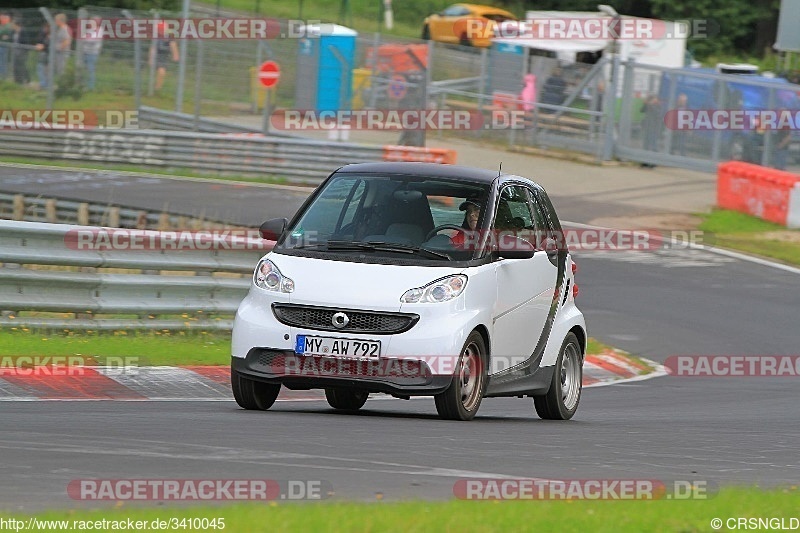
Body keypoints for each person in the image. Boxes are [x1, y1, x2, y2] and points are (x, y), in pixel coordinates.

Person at [149, 24, 178, 92]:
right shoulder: (156, 38)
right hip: (157, 56)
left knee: (162, 72)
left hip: (165, 56)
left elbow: (173, 45)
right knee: (161, 72)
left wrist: (175, 55)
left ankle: (157, 87)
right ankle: (157, 88)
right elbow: (153, 48)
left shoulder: (170, 37)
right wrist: (151, 58)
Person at [80, 16, 103, 90]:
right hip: (85, 52)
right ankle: (84, 85)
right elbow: (82, 39)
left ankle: (91, 87)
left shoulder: (99, 30)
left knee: (90, 69)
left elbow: (93, 41)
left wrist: (86, 40)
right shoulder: (89, 30)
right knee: (84, 69)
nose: (89, 23)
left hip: (92, 53)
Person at [640, 94, 662, 167]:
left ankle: (654, 162)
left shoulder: (658, 106)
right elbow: (641, 110)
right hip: (647, 128)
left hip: (654, 129)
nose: (653, 101)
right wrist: (645, 104)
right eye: (652, 99)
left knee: (653, 146)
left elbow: (657, 113)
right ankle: (645, 161)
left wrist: (650, 104)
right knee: (646, 145)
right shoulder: (649, 105)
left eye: (654, 99)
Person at [34, 23, 50, 90]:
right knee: (41, 69)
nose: (44, 29)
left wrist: (43, 46)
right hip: (43, 53)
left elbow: (48, 45)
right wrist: (39, 45)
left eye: (46, 28)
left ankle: (44, 85)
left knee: (43, 69)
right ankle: (44, 84)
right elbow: (39, 40)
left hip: (46, 54)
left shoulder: (51, 36)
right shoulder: (43, 34)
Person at [0, 12, 12, 80]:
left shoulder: (7, 25)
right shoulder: (2, 25)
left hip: (4, 46)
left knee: (3, 61)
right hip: (1, 45)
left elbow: (2, 32)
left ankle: (3, 75)